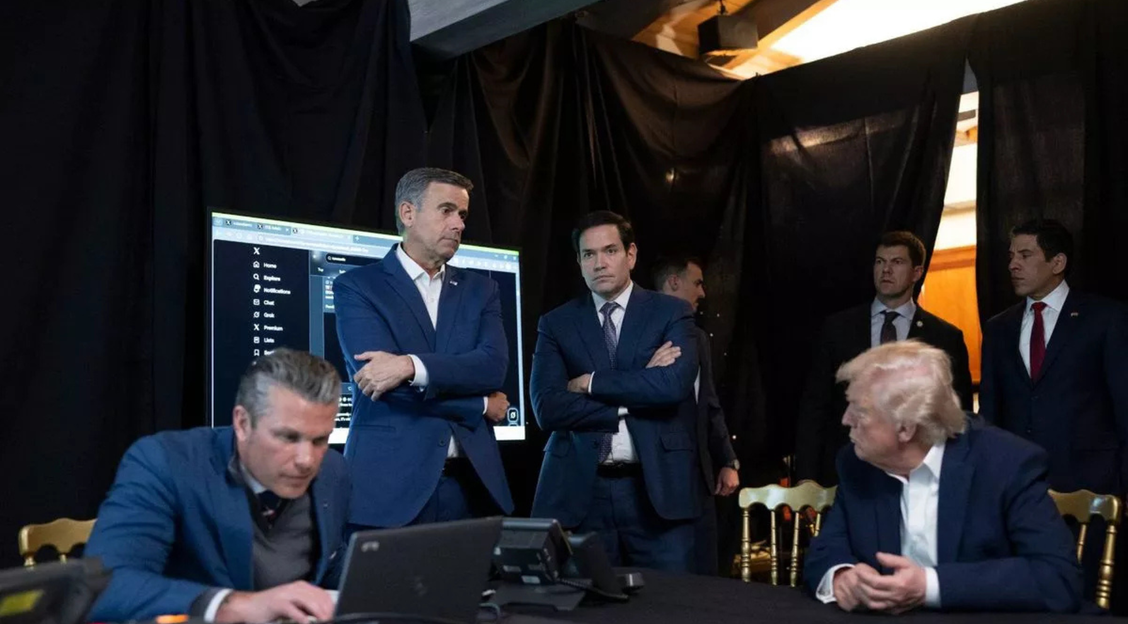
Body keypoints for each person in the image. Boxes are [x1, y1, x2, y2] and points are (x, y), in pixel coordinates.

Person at [804, 340, 1083, 614]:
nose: (845, 419)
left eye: (860, 411)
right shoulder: (856, 462)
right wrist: (842, 577)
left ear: (905, 429)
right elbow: (827, 548)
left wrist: (927, 586)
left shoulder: (1006, 463)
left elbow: (1056, 577)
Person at [85, 349, 351, 624]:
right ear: (242, 423)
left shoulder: (333, 471)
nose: (306, 460)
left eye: (320, 440)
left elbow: (327, 561)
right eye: (287, 437)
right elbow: (106, 587)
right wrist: (232, 605)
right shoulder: (166, 464)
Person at [333, 167, 513, 529]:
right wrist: (479, 404)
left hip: (471, 487)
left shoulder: (482, 290)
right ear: (408, 213)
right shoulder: (357, 287)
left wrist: (410, 366)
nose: (459, 225)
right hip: (388, 490)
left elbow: (492, 367)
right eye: (446, 211)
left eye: (462, 215)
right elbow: (383, 388)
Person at [530, 211, 702, 572]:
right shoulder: (556, 322)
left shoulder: (672, 313)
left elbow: (672, 386)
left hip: (656, 492)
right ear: (578, 262)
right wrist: (638, 388)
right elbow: (548, 408)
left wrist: (589, 383)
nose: (599, 263)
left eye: (609, 250)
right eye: (588, 254)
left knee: (671, 608)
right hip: (580, 492)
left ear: (631, 254)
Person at [795, 231, 973, 485]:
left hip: (917, 475)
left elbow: (957, 414)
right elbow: (815, 406)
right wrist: (806, 477)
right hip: (847, 472)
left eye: (897, 262)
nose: (886, 270)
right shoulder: (838, 328)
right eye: (880, 262)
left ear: (917, 272)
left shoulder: (944, 337)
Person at [979, 218, 1128, 495]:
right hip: (1018, 487)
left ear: (1057, 263)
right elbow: (990, 412)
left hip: (1092, 487)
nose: (1013, 265)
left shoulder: (1106, 318)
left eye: (1025, 255)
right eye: (1011, 256)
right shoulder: (998, 328)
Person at [653, 254, 739, 576]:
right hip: (656, 478)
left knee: (705, 573)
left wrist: (727, 460)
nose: (702, 293)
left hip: (698, 476)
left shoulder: (698, 337)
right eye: (698, 283)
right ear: (674, 282)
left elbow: (709, 402)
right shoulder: (638, 329)